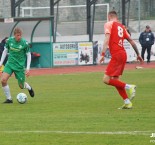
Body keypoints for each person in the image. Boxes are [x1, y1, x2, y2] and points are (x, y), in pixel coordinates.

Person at [99, 11, 143, 109]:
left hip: (117, 55)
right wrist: (138, 54)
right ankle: (127, 102)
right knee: (115, 80)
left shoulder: (109, 24)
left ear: (109, 16)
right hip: (123, 55)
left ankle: (129, 87)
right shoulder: (122, 27)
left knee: (106, 80)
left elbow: (107, 38)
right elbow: (131, 41)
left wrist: (102, 54)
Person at [0, 27, 34, 103]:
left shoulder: (24, 43)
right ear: (14, 35)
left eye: (20, 35)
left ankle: (29, 87)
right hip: (10, 64)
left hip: (19, 67)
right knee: (3, 80)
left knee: (21, 86)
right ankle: (9, 99)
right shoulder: (9, 41)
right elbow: (5, 51)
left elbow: (28, 55)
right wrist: (1, 63)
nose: (19, 37)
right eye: (18, 35)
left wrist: (28, 69)